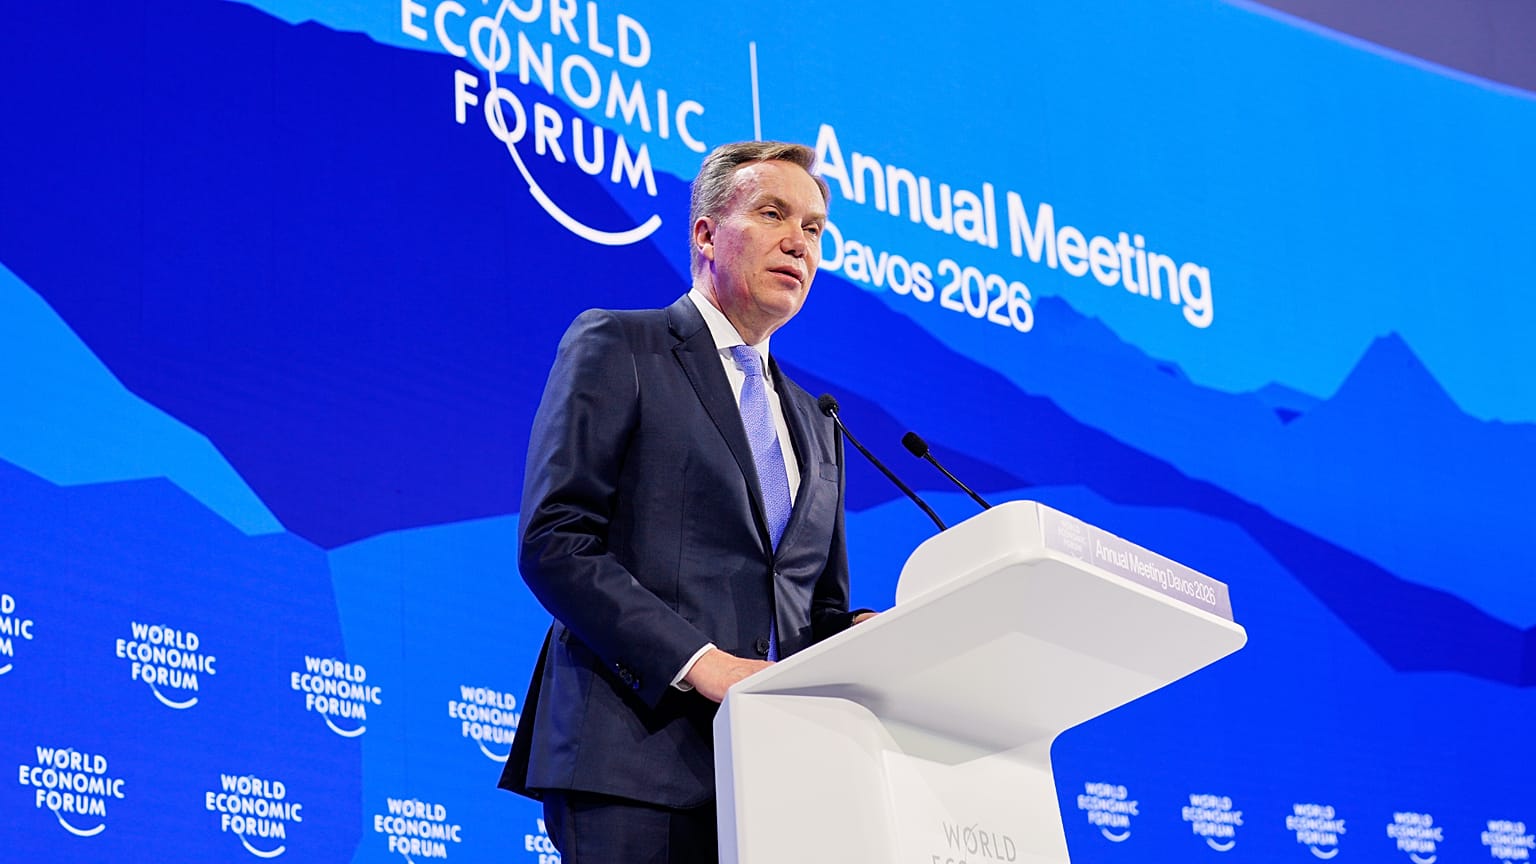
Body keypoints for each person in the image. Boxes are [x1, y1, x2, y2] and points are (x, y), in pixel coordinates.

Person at [498, 140, 871, 863]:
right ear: (705, 233)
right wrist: (705, 663)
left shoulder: (818, 425)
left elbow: (812, 611)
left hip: (773, 787)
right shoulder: (622, 346)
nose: (800, 241)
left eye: (816, 228)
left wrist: (870, 638)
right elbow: (557, 541)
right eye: (773, 213)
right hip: (634, 761)